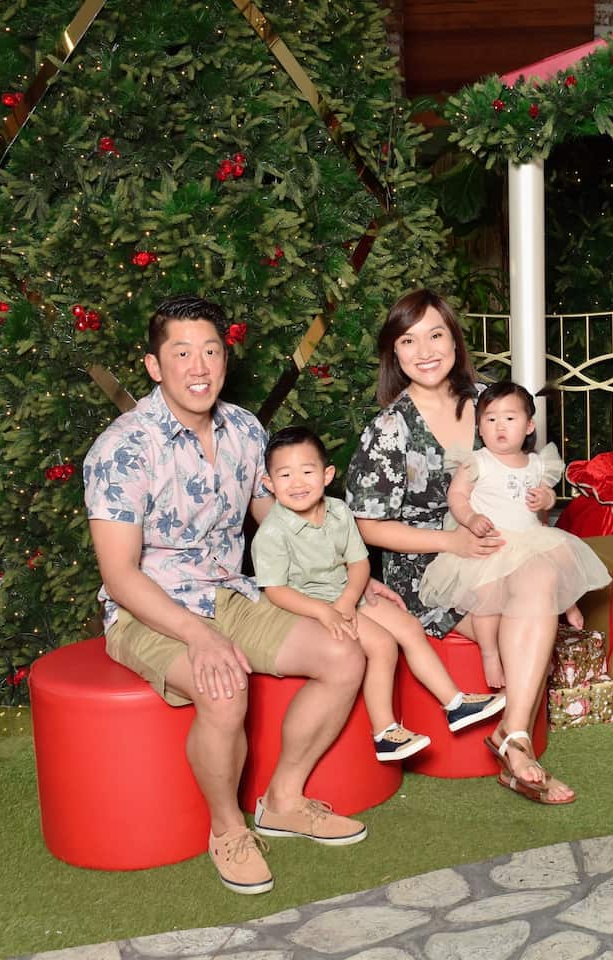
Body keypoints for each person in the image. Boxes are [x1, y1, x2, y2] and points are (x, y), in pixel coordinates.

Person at [84, 295, 368, 897]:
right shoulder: (123, 448)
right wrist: (197, 634)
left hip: (231, 594)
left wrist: (343, 586)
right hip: (149, 610)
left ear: (225, 357)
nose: (199, 366)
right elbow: (119, 574)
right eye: (181, 353)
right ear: (154, 366)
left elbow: (280, 522)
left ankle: (283, 800)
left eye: (211, 351)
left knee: (344, 655)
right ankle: (228, 828)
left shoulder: (244, 429)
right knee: (224, 685)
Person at [345, 289, 577, 804]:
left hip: (506, 547)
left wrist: (539, 508)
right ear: (394, 352)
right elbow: (367, 526)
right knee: (527, 605)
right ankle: (517, 748)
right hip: (427, 566)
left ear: (454, 339)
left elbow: (525, 480)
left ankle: (511, 737)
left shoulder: (493, 401)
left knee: (536, 584)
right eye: (408, 340)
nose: (425, 350)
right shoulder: (388, 429)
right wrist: (452, 539)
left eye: (435, 335)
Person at [251, 426, 505, 762]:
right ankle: (385, 731)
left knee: (409, 628)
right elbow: (276, 590)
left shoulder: (339, 511)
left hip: (344, 593)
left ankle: (455, 704)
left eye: (307, 471)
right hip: (305, 607)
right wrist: (326, 611)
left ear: (327, 475)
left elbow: (358, 564)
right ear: (269, 484)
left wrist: (346, 599)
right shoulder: (272, 533)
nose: (297, 482)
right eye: (285, 475)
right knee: (383, 644)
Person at [418, 381, 610, 690]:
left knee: (563, 555)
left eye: (510, 418)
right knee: (486, 597)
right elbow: (457, 497)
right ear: (480, 428)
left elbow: (546, 499)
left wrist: (546, 499)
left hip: (530, 539)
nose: (500, 426)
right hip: (494, 542)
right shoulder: (478, 462)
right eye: (490, 419)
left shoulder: (537, 463)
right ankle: (490, 653)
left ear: (529, 425)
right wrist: (470, 518)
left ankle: (567, 602)